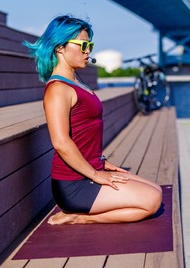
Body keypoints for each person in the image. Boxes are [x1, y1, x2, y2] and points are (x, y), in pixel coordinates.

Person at [24, 15, 162, 225]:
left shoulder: (75, 81)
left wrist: (102, 163)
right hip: (74, 185)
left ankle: (86, 205)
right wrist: (96, 175)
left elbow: (83, 131)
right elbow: (61, 142)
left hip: (91, 169)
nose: (88, 51)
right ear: (60, 48)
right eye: (83, 45)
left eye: (90, 45)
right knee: (152, 201)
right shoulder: (58, 90)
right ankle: (79, 218)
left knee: (156, 190)